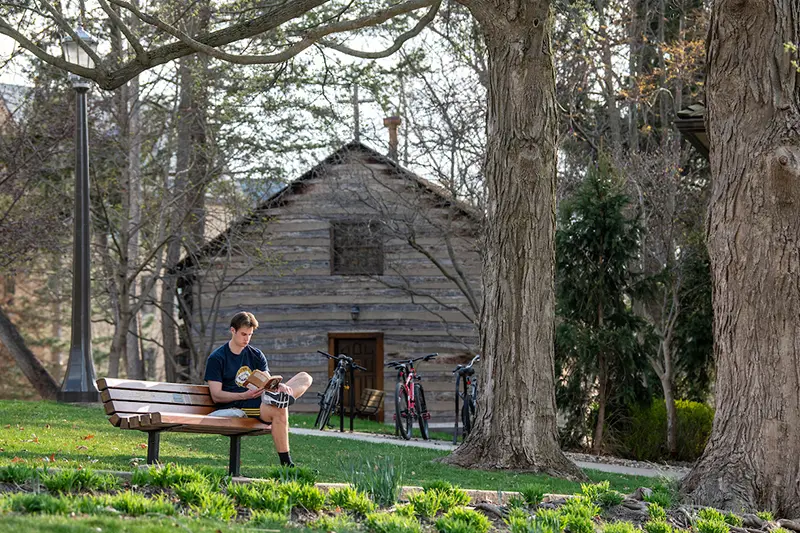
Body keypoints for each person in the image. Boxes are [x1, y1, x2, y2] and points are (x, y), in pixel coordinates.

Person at [204, 311, 312, 467]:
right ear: (232, 331)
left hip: (262, 398)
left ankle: (279, 397)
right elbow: (216, 396)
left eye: (250, 335)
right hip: (239, 405)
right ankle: (287, 464)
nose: (247, 339)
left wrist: (277, 386)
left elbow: (266, 381)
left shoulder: (256, 355)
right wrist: (244, 396)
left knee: (305, 377)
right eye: (243, 334)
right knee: (280, 409)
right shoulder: (217, 358)